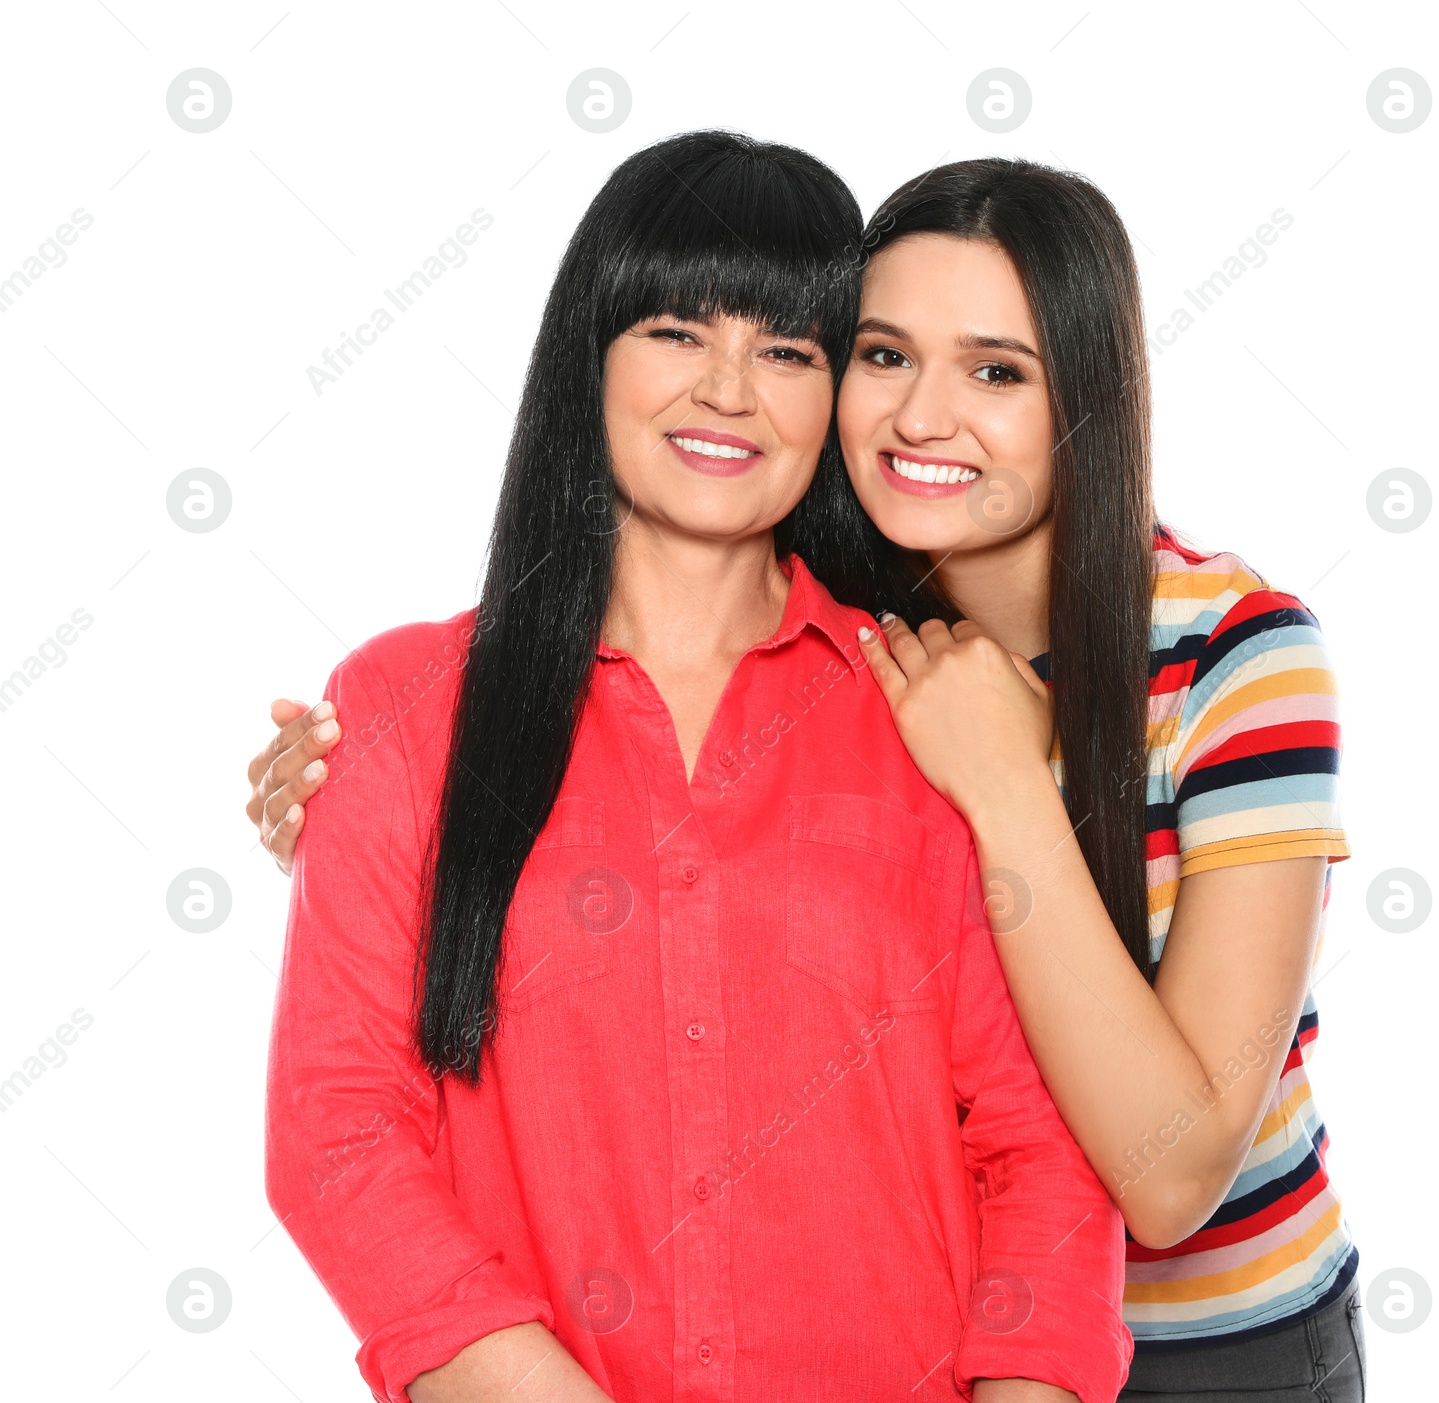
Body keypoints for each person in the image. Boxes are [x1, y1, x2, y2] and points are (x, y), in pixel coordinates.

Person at [252, 148, 1364, 1400]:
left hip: (1230, 1334)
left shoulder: (1191, 660)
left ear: (1086, 400)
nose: (922, 417)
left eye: (996, 371)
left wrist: (1003, 783)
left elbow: (1145, 1172)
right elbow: (341, 1121)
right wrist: (365, 792)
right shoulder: (889, 630)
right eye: (884, 356)